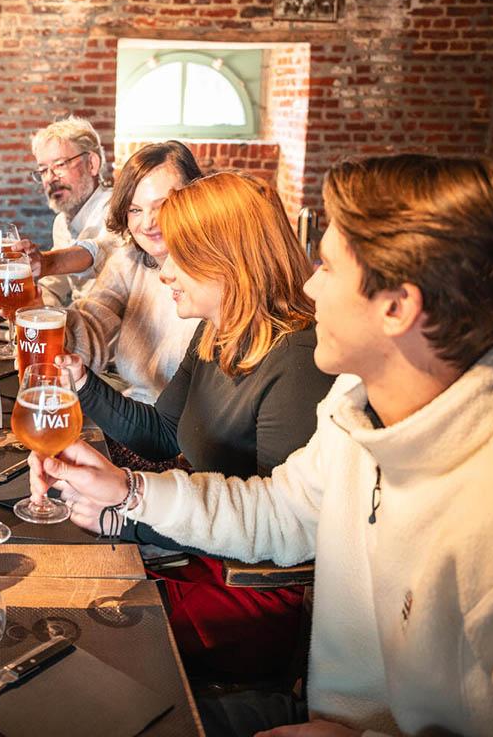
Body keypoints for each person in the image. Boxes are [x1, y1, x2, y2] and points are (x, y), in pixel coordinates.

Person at [33, 154, 493, 735]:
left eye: (327, 266)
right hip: (318, 711)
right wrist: (127, 492)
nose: (307, 284)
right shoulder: (356, 404)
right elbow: (280, 509)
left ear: (398, 306)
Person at [54, 171, 336, 680]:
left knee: (79, 632)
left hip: (253, 591)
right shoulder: (218, 329)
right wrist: (82, 383)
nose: (163, 274)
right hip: (193, 550)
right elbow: (164, 434)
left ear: (227, 260)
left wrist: (129, 514)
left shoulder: (297, 359)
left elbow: (279, 532)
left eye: (178, 256)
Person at [65, 140, 202, 404]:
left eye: (162, 205)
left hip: (184, 435)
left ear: (195, 197)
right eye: (135, 210)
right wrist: (44, 318)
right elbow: (91, 334)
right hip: (136, 418)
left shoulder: (215, 273)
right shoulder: (130, 260)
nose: (148, 223)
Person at [20, 116, 119, 306]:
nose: (50, 178)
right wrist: (35, 304)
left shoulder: (116, 208)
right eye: (43, 170)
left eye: (59, 165)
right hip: (81, 327)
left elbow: (99, 252)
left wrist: (46, 262)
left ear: (92, 163)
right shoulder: (61, 222)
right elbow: (53, 285)